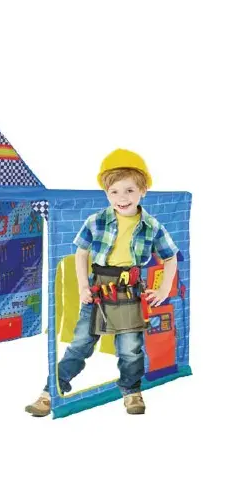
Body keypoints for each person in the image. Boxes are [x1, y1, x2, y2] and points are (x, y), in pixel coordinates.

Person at [25, 149, 179, 416]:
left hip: (130, 292)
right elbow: (81, 253)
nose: (122, 198)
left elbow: (170, 256)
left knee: (130, 349)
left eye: (129, 190)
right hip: (98, 290)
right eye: (114, 191)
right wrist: (83, 286)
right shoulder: (96, 221)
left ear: (143, 191)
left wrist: (165, 288)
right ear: (107, 193)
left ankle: (131, 391)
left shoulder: (151, 226)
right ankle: (51, 391)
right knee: (80, 344)